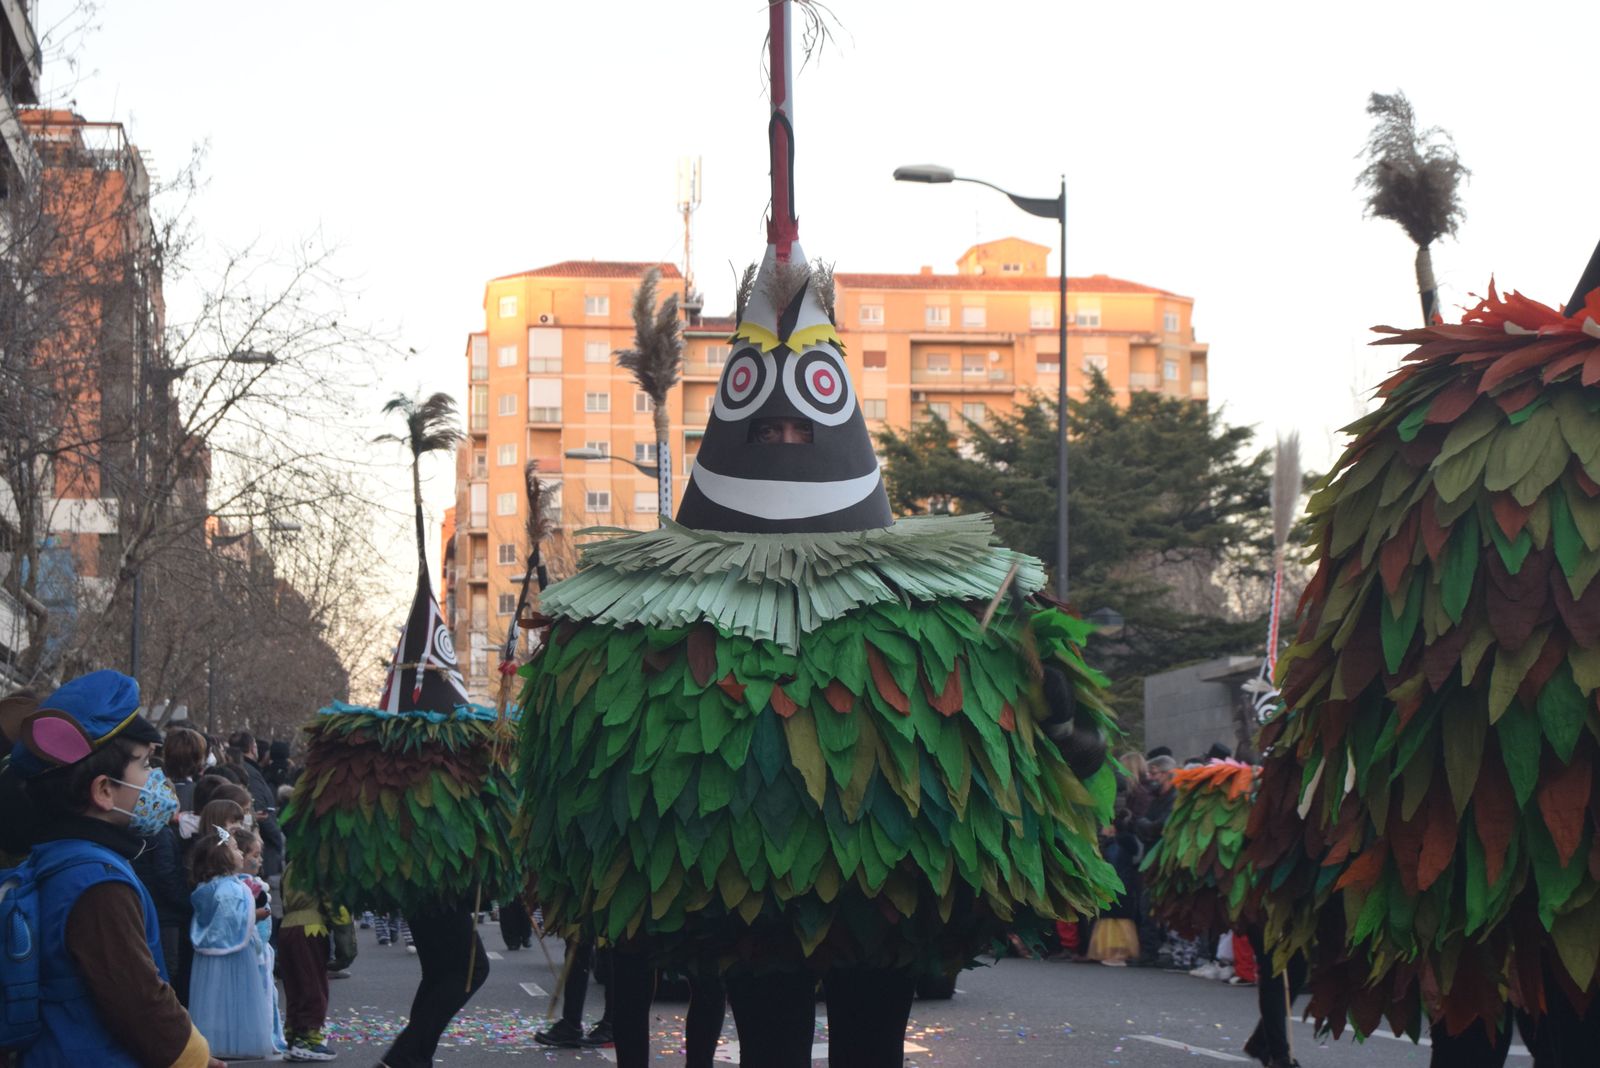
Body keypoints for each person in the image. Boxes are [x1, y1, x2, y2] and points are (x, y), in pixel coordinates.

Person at [514, 10, 1117, 1064]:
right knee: (774, 1045)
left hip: (882, 897)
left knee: (871, 1042)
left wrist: (1064, 729)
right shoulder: (651, 610)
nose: (787, 427)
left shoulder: (944, 603)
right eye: (767, 410)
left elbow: (1045, 724)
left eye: (810, 409)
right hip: (749, 907)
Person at [0, 670, 222, 1067]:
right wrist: (197, 1058)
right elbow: (140, 1000)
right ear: (104, 790)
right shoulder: (95, 881)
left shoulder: (60, 858)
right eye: (145, 764)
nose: (155, 779)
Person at [188, 828, 275, 1059]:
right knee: (235, 996)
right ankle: (236, 1042)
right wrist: (256, 915)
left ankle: (215, 1041)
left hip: (211, 954)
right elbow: (231, 919)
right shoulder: (229, 888)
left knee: (213, 998)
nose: (240, 854)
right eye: (235, 849)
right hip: (235, 954)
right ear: (222, 857)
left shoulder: (207, 886)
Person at [277, 861, 339, 1061]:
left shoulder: (291, 865)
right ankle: (308, 1039)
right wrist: (344, 931)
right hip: (310, 928)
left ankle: (294, 1035)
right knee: (313, 984)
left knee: (295, 985)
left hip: (287, 927)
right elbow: (331, 898)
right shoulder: (318, 861)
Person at [234, 827, 286, 1053]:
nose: (260, 860)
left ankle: (267, 1032)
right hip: (251, 949)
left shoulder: (253, 883)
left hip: (261, 948)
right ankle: (258, 1035)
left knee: (266, 993)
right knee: (256, 994)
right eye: (255, 855)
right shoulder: (244, 887)